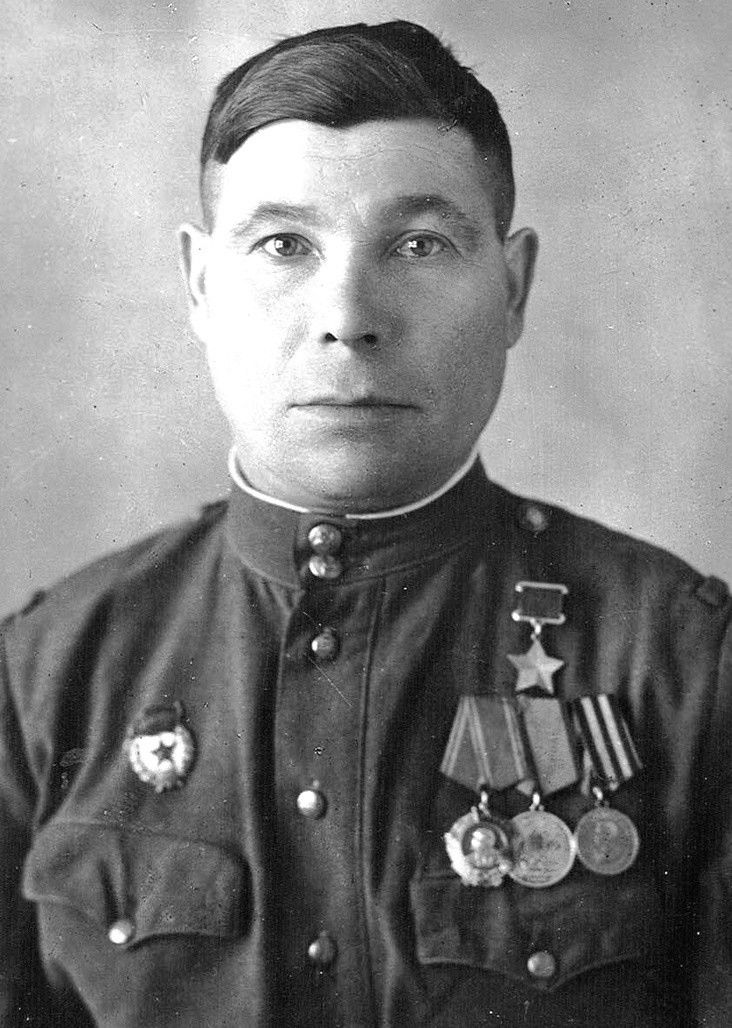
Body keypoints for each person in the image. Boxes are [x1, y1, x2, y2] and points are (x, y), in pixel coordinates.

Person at [1, 19, 730, 1028]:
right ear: (201, 286)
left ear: (512, 286)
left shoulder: (683, 661)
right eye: (284, 245)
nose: (349, 315)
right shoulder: (46, 676)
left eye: (419, 244)